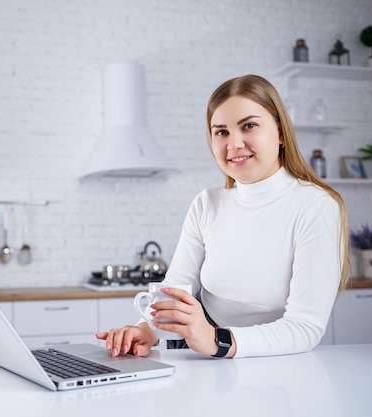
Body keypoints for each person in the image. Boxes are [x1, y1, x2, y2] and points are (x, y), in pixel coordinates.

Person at [96, 74, 351, 359]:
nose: (234, 144)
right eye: (221, 132)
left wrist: (217, 341)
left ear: (280, 132)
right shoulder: (207, 203)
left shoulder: (316, 206)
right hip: (208, 361)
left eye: (249, 126)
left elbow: (305, 328)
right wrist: (145, 330)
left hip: (282, 370)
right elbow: (175, 292)